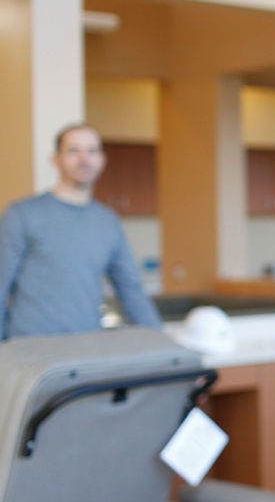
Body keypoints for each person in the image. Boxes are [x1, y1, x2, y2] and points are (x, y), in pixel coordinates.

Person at [0, 123, 161, 340]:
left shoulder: (108, 221)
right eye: (74, 150)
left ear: (102, 160)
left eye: (92, 151)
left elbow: (132, 293)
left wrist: (168, 350)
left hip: (85, 352)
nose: (84, 159)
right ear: (55, 159)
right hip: (30, 353)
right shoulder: (22, 214)